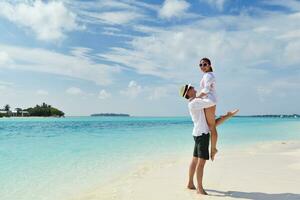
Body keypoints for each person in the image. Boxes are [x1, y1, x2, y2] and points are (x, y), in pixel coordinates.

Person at [179, 84, 238, 195]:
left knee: (195, 159)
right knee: (201, 163)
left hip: (197, 134)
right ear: (187, 93)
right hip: (202, 135)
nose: (194, 88)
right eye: (191, 88)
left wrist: (227, 116)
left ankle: (190, 183)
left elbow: (211, 124)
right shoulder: (194, 103)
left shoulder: (194, 102)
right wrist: (209, 90)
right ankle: (199, 189)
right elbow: (211, 102)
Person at [197, 57, 218, 161]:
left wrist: (196, 98)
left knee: (212, 127)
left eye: (205, 64)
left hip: (209, 101)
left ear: (209, 65)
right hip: (208, 101)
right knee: (210, 125)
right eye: (200, 65)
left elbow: (206, 90)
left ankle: (213, 149)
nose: (202, 67)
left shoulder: (208, 75)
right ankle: (212, 148)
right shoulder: (206, 75)